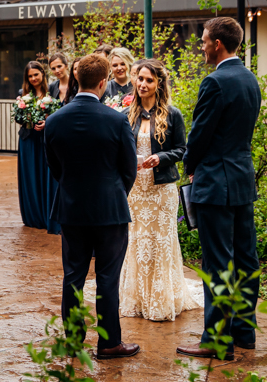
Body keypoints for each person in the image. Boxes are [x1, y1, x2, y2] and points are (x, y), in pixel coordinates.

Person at [178, 17, 262, 360]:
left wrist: (190, 166)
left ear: (218, 44)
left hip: (215, 182)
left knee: (217, 264)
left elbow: (199, 135)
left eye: (204, 41)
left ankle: (216, 340)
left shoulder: (214, 82)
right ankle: (244, 333)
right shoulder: (250, 79)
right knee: (246, 259)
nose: (201, 46)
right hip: (242, 179)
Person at [44, 54, 139, 360]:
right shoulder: (116, 119)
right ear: (102, 83)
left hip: (72, 208)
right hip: (110, 209)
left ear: (75, 81)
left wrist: (73, 187)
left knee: (73, 275)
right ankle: (109, 343)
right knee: (108, 277)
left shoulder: (56, 119)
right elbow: (129, 167)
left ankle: (73, 341)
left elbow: (54, 166)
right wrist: (115, 192)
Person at [119, 59, 200, 322]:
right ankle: (139, 298)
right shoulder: (126, 114)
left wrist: (161, 157)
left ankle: (162, 299)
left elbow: (182, 149)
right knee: (138, 241)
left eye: (149, 80)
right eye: (140, 79)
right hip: (136, 190)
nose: (143, 84)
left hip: (161, 188)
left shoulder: (172, 114)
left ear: (159, 83)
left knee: (161, 242)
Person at [16, 62, 57, 232]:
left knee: (47, 176)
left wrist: (48, 122)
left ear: (42, 74)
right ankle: (33, 216)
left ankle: (47, 215)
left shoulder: (52, 92)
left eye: (36, 75)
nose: (33, 79)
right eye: (30, 76)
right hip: (29, 140)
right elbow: (18, 118)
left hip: (47, 140)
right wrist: (29, 120)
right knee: (31, 176)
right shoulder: (22, 95)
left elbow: (58, 112)